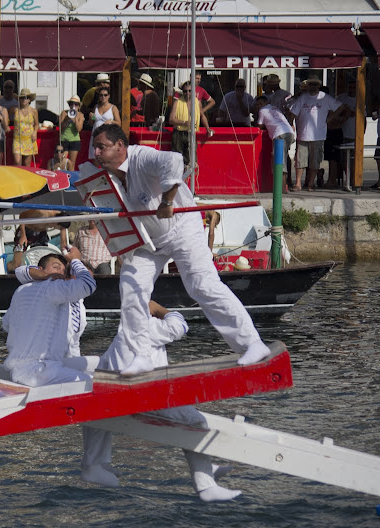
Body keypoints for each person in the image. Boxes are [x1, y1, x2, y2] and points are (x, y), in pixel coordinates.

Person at [90, 123, 271, 375]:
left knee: (202, 285)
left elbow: (174, 161)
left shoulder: (141, 157)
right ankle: (140, 354)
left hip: (182, 229)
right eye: (95, 148)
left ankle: (252, 343)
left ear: (120, 146)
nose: (96, 153)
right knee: (131, 288)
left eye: (101, 147)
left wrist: (167, 200)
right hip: (147, 240)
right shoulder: (101, 174)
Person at [91, 300, 242, 502]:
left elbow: (102, 368)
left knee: (192, 417)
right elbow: (180, 326)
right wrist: (160, 309)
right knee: (195, 421)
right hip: (144, 399)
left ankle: (206, 467)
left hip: (131, 397)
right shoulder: (144, 327)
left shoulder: (121, 335)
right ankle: (205, 486)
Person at [3, 249, 118, 486]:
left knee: (103, 364)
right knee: (98, 393)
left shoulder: (21, 291)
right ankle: (93, 465)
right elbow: (87, 283)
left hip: (43, 363)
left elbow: (8, 323)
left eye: (64, 269)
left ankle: (127, 375)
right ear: (41, 271)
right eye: (56, 267)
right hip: (39, 370)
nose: (62, 272)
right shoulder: (51, 288)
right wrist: (75, 258)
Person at [289, 75, 347, 192]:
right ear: (308, 85)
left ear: (319, 85)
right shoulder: (303, 97)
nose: (313, 86)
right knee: (300, 161)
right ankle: (298, 183)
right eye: (311, 84)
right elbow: (293, 112)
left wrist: (330, 118)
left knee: (315, 161)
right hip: (303, 134)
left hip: (318, 135)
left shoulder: (325, 97)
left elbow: (341, 107)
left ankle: (311, 183)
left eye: (315, 84)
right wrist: (291, 124)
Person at [254, 95, 295, 190]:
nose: (259, 106)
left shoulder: (262, 110)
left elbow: (259, 126)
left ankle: (281, 189)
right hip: (289, 132)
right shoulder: (275, 108)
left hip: (279, 134)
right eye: (257, 105)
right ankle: (283, 186)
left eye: (260, 103)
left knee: (279, 161)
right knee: (282, 158)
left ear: (265, 103)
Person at [169, 81, 214, 168]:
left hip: (191, 134)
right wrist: (184, 122)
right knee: (177, 162)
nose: (187, 93)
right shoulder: (177, 102)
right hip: (179, 134)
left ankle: (188, 180)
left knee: (192, 162)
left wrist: (208, 128)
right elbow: (171, 120)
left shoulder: (197, 102)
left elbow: (202, 115)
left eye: (189, 91)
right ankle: (179, 180)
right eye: (185, 91)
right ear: (182, 91)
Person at [334, 79, 358, 190]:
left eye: (354, 88)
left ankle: (353, 181)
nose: (352, 90)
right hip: (342, 133)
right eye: (350, 87)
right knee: (344, 160)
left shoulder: (360, 100)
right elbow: (334, 113)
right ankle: (347, 179)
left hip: (355, 135)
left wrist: (362, 133)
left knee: (354, 160)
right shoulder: (340, 98)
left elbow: (363, 119)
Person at [87, 85, 120, 161]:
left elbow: (119, 123)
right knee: (95, 157)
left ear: (109, 96)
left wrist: (111, 121)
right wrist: (91, 118)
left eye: (105, 95)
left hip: (107, 135)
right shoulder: (96, 107)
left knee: (106, 157)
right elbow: (92, 123)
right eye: (101, 95)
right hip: (96, 133)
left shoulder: (113, 108)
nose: (103, 97)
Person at [12, 88, 39, 167]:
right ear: (19, 99)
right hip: (17, 139)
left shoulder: (34, 111)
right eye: (22, 98)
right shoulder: (15, 109)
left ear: (29, 100)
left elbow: (37, 124)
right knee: (17, 162)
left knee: (27, 164)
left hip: (29, 139)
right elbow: (5, 113)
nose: (24, 99)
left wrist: (35, 132)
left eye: (26, 98)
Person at [59, 95, 85, 170]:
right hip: (64, 139)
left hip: (74, 140)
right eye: (71, 104)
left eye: (76, 104)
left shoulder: (80, 115)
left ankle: (71, 178)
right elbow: (61, 128)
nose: (73, 106)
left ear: (79, 106)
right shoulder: (64, 113)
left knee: (72, 163)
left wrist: (75, 118)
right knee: (62, 161)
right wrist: (67, 119)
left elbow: (79, 129)